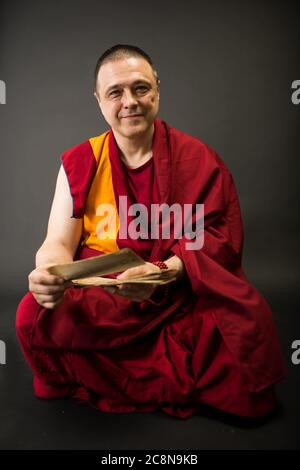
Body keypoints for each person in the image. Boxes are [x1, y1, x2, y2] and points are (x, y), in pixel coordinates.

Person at [16, 44, 286, 419]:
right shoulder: (82, 160)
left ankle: (113, 375)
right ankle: (160, 380)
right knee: (33, 313)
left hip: (175, 295)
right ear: (98, 101)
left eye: (140, 88)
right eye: (115, 92)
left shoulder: (198, 159)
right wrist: (49, 273)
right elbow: (58, 243)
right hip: (107, 293)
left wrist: (163, 273)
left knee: (240, 337)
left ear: (157, 89)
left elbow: (219, 241)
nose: (130, 102)